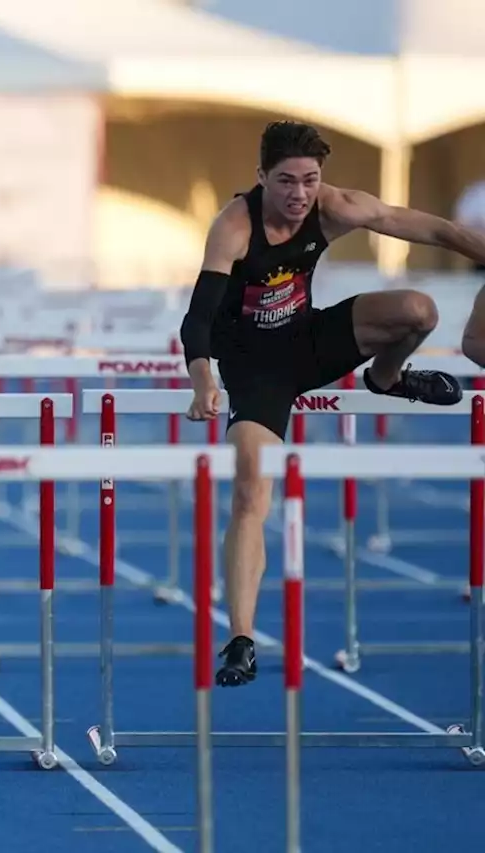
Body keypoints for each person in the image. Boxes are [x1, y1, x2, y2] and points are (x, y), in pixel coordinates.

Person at [179, 120, 485, 687]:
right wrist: (202, 379)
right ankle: (241, 638)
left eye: (310, 181)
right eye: (287, 182)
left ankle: (387, 378)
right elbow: (197, 319)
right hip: (255, 369)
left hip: (308, 342)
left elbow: (437, 231)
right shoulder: (234, 225)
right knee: (251, 491)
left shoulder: (337, 206)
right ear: (261, 178)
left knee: (418, 310)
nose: (299, 195)